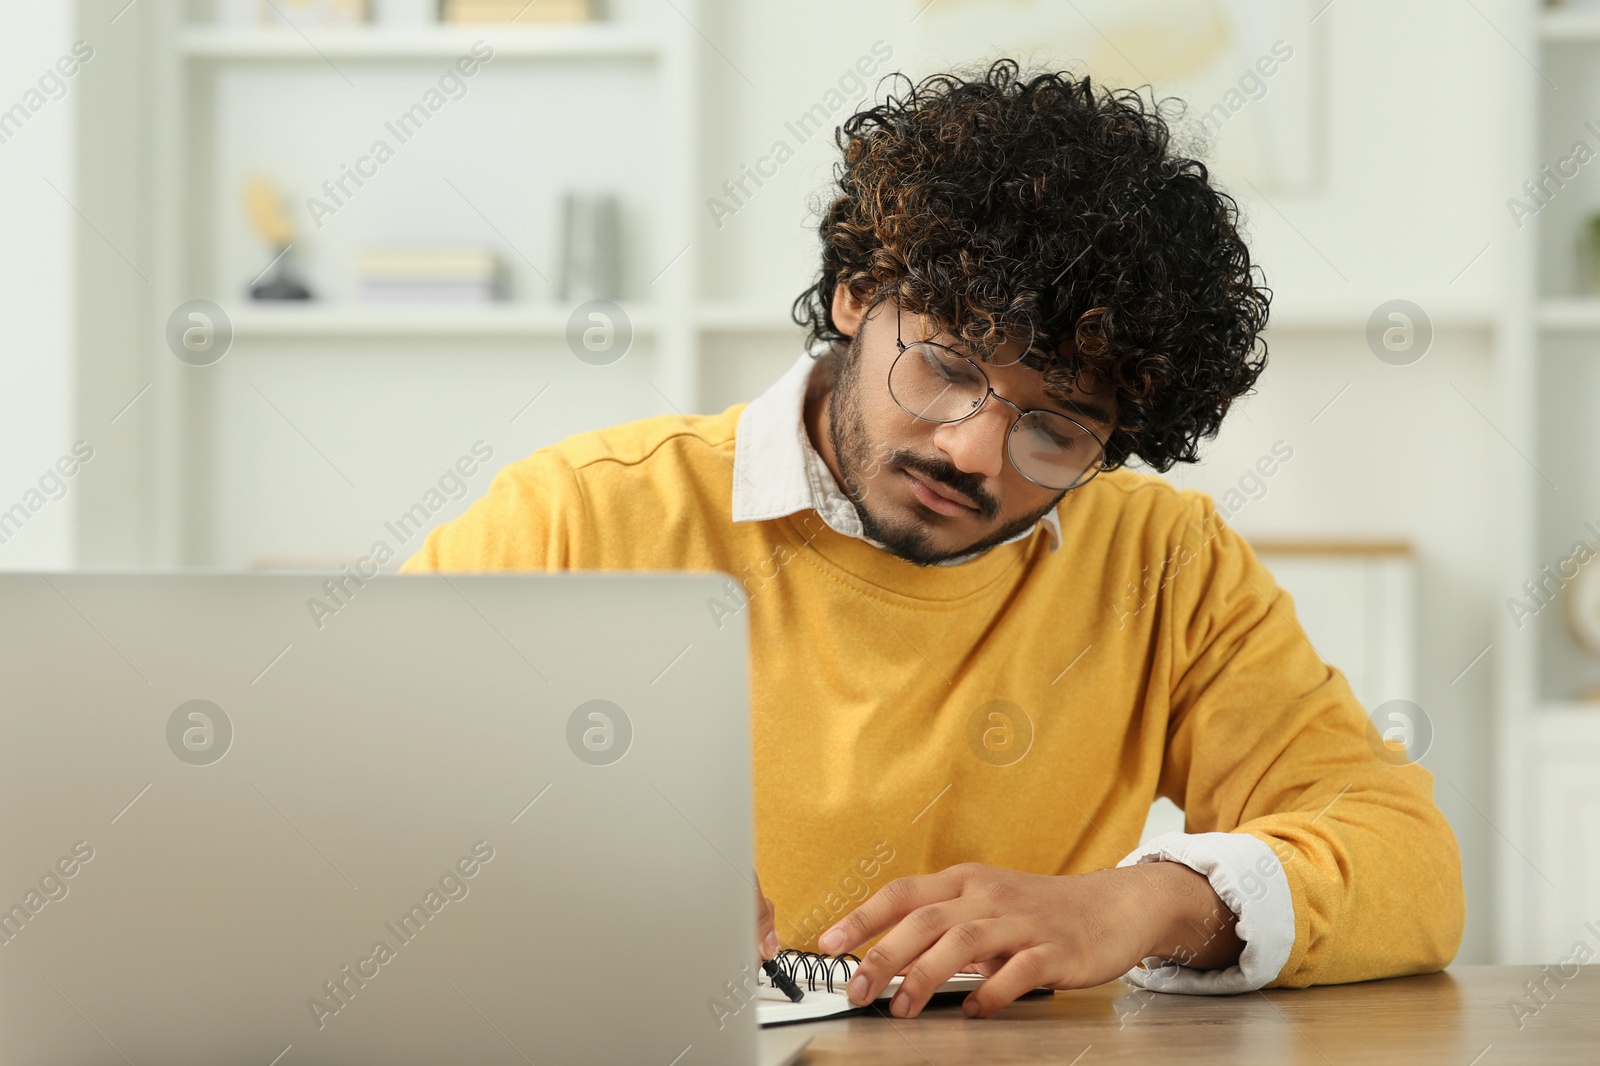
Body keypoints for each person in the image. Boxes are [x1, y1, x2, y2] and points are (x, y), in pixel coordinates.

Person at [401, 59, 1464, 1019]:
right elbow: (333, 808)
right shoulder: (580, 515)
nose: (975, 453)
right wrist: (553, 876)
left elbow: (1409, 866)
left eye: (1054, 426)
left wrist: (1142, 901)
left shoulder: (1161, 564)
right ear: (855, 293)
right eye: (948, 365)